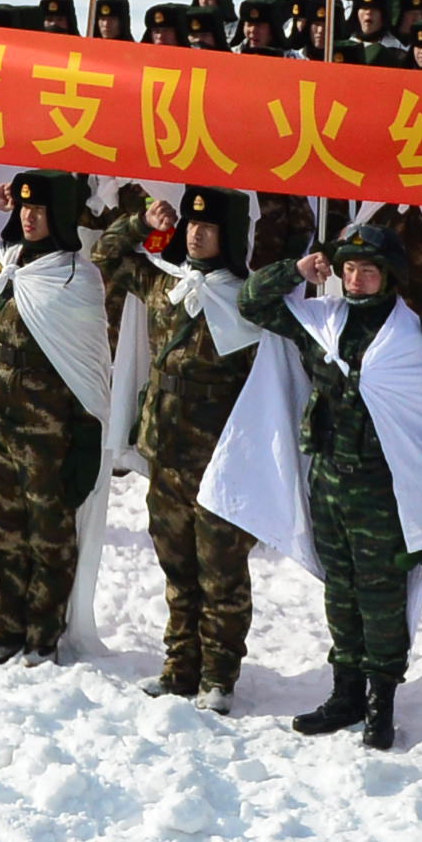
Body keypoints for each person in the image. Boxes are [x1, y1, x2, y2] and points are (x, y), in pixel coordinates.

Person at [204, 214, 422, 750]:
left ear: (389, 276)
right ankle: (346, 693)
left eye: (368, 271)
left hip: (386, 489)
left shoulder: (412, 336)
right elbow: (252, 304)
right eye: (349, 269)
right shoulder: (321, 321)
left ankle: (381, 702)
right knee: (340, 593)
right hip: (329, 481)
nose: (356, 279)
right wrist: (296, 270)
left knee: (380, 598)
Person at [0, 173, 130, 663]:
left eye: (40, 209)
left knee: (49, 538)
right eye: (24, 208)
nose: (29, 217)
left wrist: (85, 438)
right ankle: (9, 630)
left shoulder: (76, 278)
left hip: (48, 433)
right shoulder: (5, 265)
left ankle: (43, 637)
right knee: (7, 535)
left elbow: (89, 366)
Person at [110, 185, 270, 704]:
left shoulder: (247, 302)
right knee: (177, 567)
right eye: (192, 224)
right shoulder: (168, 284)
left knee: (221, 572)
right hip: (166, 452)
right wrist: (142, 223)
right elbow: (105, 255)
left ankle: (219, 676)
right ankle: (180, 667)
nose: (196, 234)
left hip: (220, 459)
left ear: (230, 236)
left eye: (209, 227)